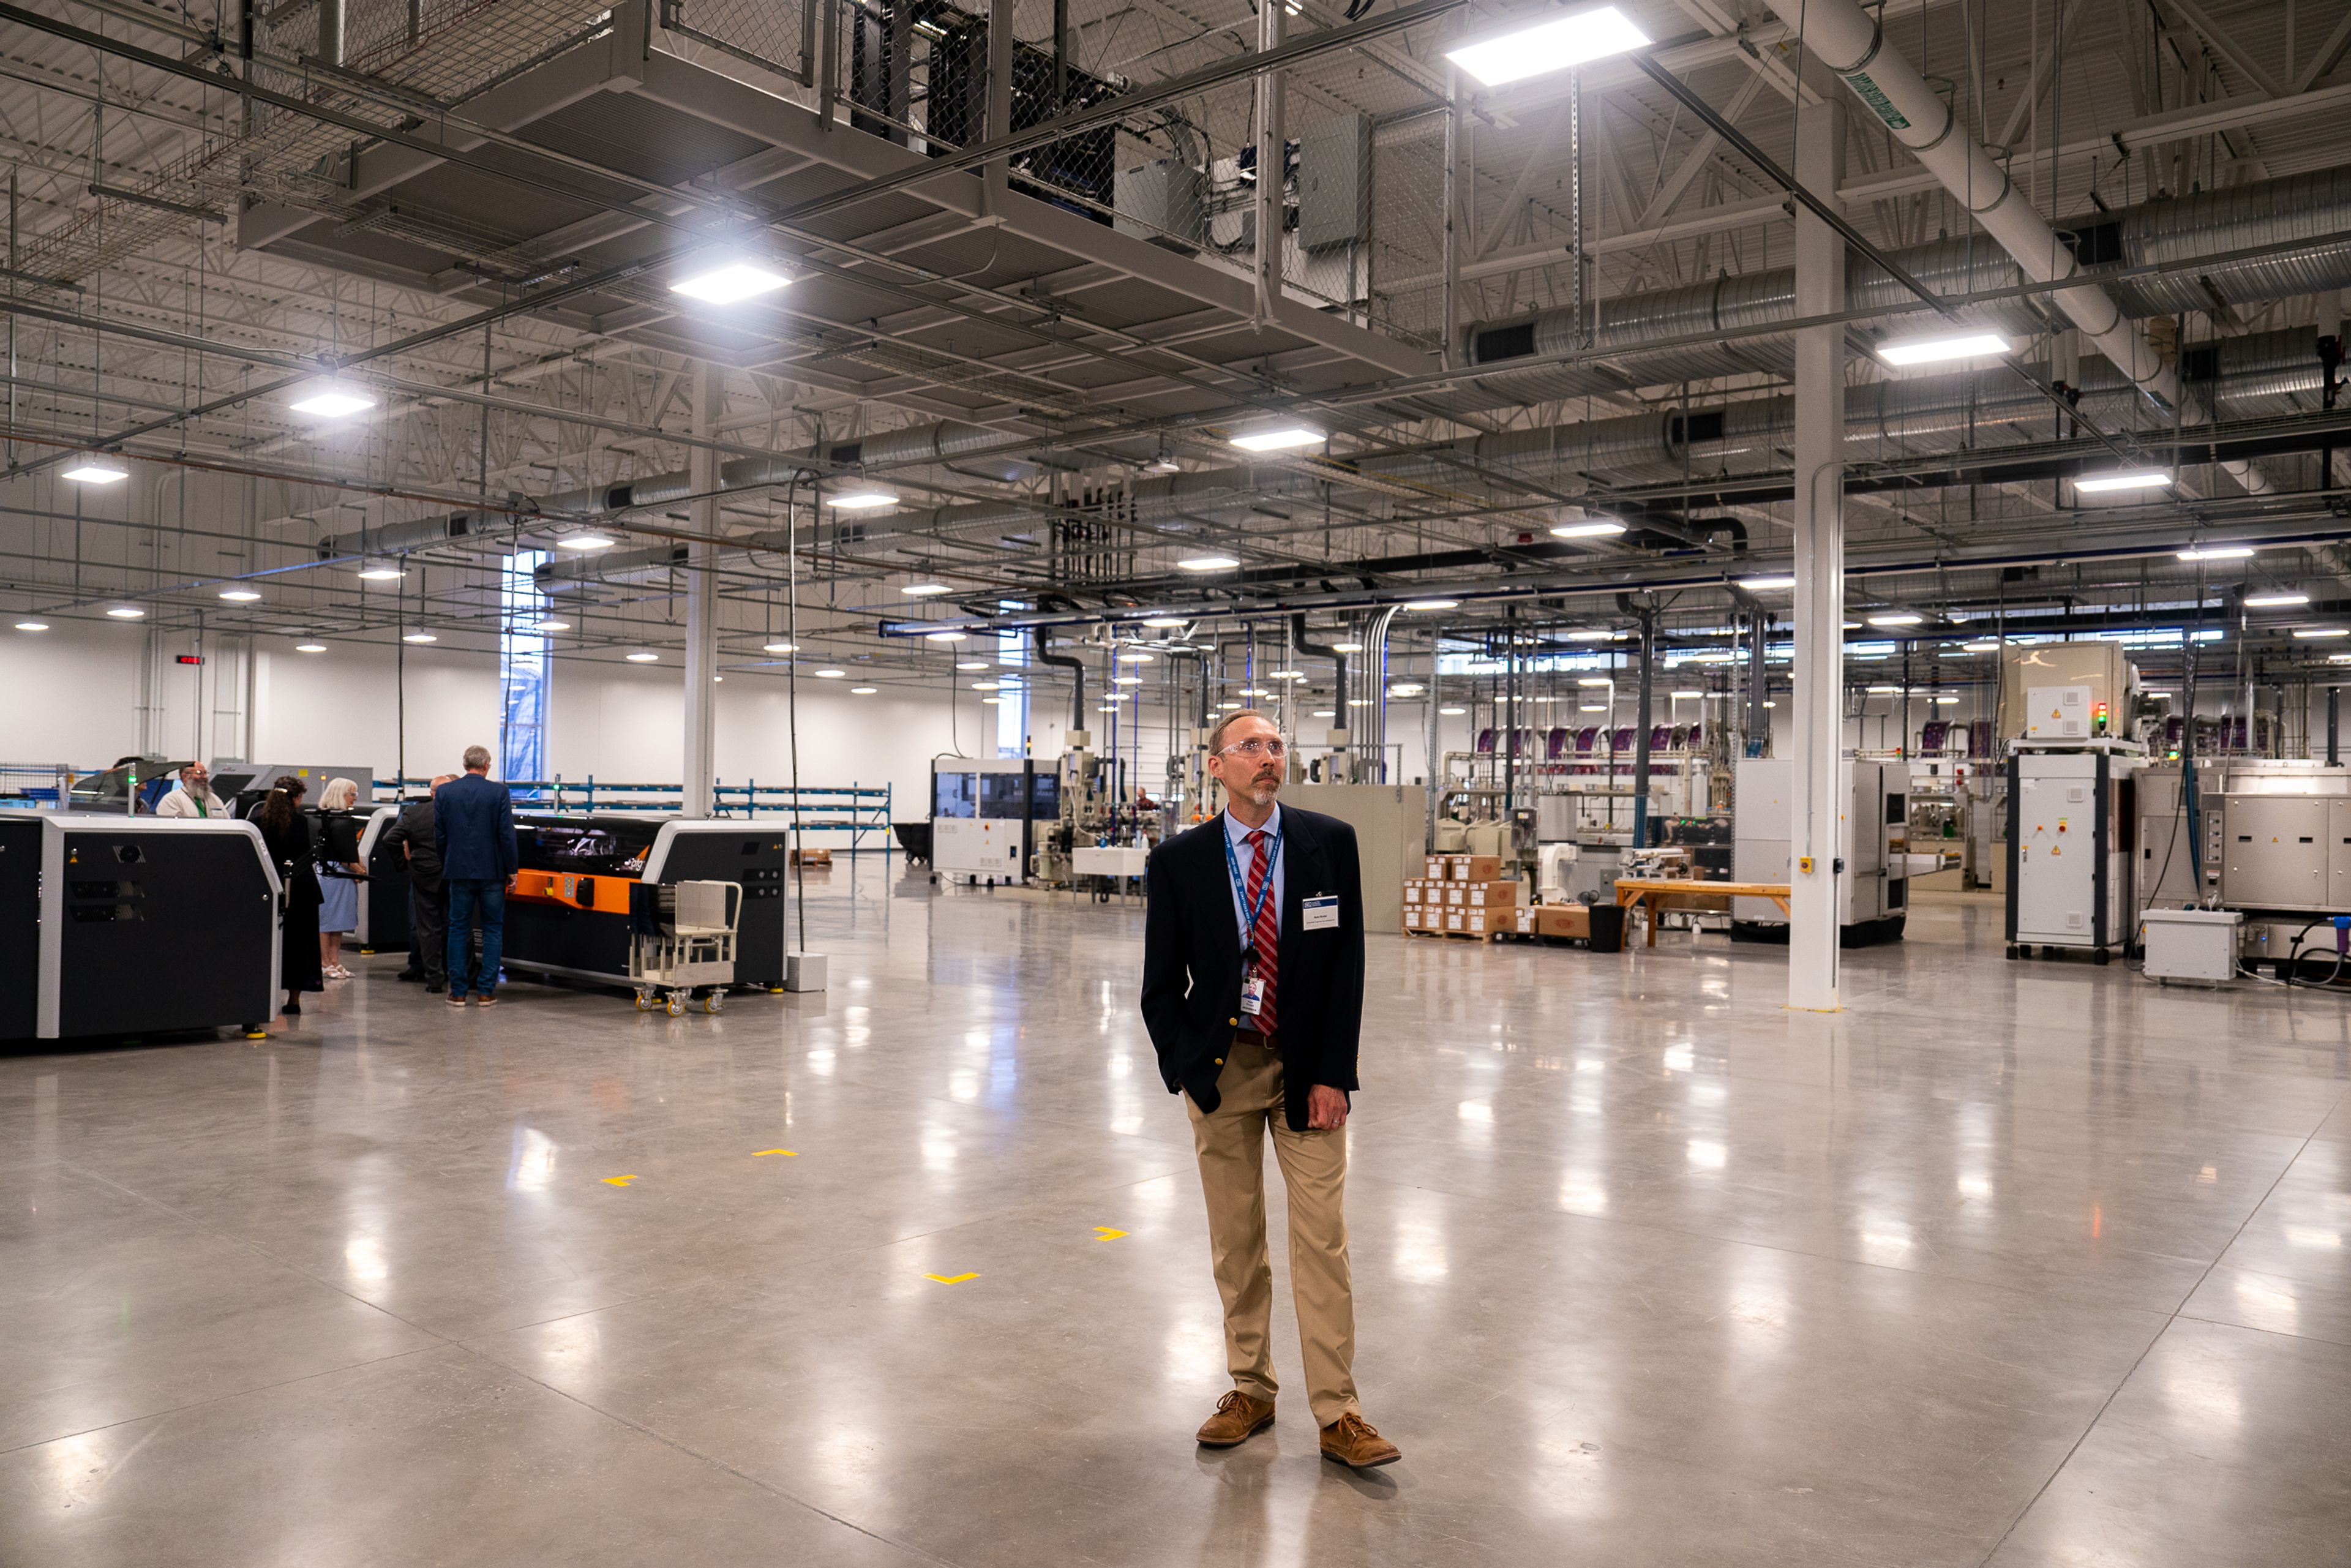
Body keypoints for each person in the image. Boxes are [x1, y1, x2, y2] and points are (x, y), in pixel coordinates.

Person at [1139, 710, 1395, 1471]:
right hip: (1225, 1069)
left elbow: (1346, 963)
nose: (1268, 757)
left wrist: (1334, 1073)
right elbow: (1160, 983)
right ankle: (1250, 1387)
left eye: (1277, 745)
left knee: (1322, 1237)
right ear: (1215, 766)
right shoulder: (1180, 861)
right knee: (1237, 1240)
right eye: (1250, 746)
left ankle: (1339, 1412)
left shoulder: (1328, 843)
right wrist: (1184, 1065)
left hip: (1306, 1064)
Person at [435, 746, 517, 1007]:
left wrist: (446, 860)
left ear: (464, 764)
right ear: (487, 765)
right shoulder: (499, 791)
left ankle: (458, 992)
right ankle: (485, 992)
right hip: (492, 871)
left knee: (458, 929)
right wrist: (512, 869)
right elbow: (506, 834)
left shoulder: (446, 791)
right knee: (493, 929)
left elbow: (440, 833)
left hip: (458, 870)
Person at [254, 778, 324, 1019]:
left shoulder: (255, 824)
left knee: (267, 946)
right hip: (301, 892)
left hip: (266, 890)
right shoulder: (303, 823)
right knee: (300, 946)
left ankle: (264, 998)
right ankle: (294, 1001)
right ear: (296, 798)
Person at [382, 775, 457, 992]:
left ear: (431, 793)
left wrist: (404, 864)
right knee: (459, 926)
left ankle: (434, 979)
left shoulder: (415, 812)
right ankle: (464, 976)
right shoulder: (462, 814)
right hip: (455, 875)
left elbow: (390, 839)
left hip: (424, 877)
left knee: (427, 928)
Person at [314, 778, 366, 980]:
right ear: (340, 794)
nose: (354, 799)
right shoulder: (330, 819)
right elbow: (342, 853)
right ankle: (324, 962)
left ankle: (335, 960)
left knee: (340, 921)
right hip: (332, 874)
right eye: (351, 794)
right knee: (327, 921)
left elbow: (351, 849)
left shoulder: (343, 818)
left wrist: (359, 867)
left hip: (343, 877)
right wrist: (359, 871)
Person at [156, 761, 225, 819]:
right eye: (199, 773)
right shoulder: (171, 800)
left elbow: (227, 822)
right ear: (185, 776)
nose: (205, 777)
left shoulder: (215, 799)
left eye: (205, 773)